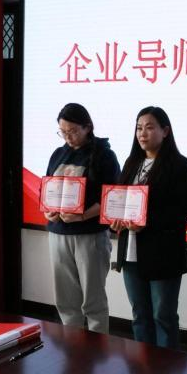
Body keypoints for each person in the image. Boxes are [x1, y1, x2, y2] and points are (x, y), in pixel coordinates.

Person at [112, 106, 187, 349]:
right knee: (139, 315)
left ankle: (166, 368)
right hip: (131, 252)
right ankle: (143, 366)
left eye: (149, 127)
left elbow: (182, 209)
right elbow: (119, 200)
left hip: (163, 253)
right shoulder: (132, 162)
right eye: (139, 128)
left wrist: (146, 223)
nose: (142, 133)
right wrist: (115, 219)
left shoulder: (179, 164)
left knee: (163, 316)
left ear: (165, 131)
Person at [44, 102, 120, 333]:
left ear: (88, 127)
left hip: (90, 235)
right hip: (58, 234)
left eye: (73, 131)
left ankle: (97, 347)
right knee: (66, 299)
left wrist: (83, 216)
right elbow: (47, 189)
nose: (68, 137)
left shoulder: (104, 155)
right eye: (63, 132)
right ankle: (72, 345)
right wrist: (47, 210)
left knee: (93, 299)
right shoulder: (58, 154)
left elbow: (112, 197)